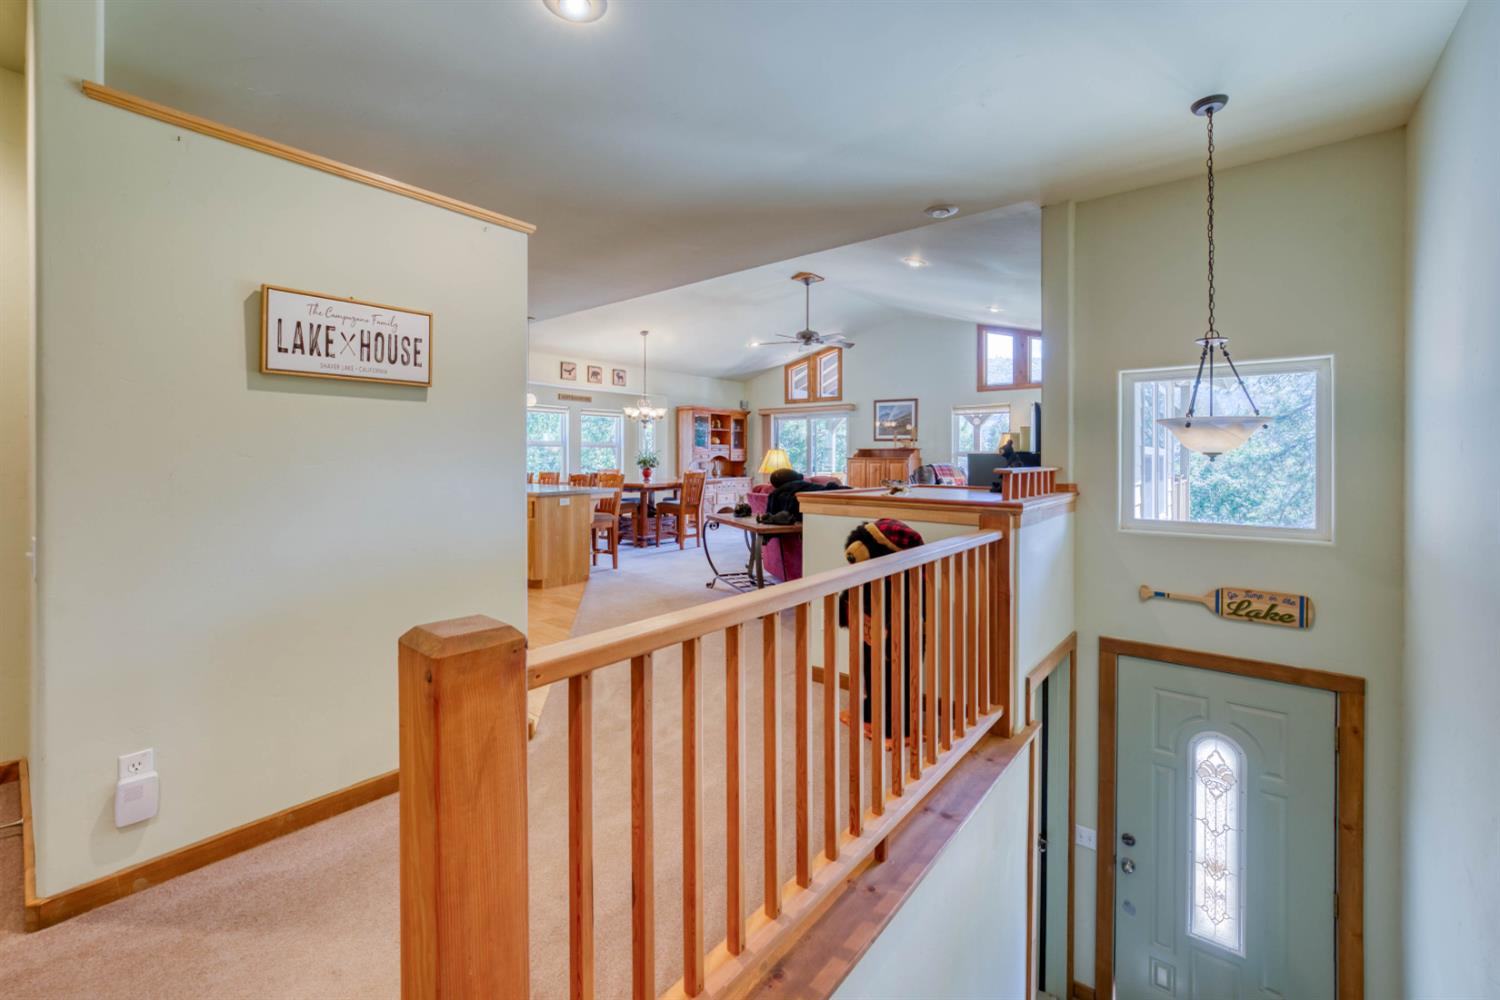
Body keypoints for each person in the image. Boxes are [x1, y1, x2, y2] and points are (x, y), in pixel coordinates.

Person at [837, 518, 924, 745]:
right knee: (872, 673)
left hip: (893, 636)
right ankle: (871, 710)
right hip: (871, 631)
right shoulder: (869, 577)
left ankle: (896, 727)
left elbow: (908, 611)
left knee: (896, 676)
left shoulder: (904, 584)